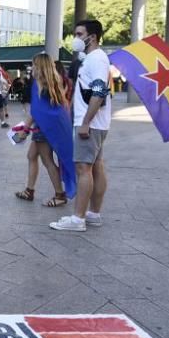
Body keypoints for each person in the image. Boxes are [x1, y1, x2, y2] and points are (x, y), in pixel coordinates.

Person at [51, 19, 111, 232]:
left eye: (79, 34)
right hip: (96, 123)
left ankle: (78, 219)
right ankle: (93, 214)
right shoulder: (93, 58)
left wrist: (85, 122)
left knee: (83, 169)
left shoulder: (96, 59)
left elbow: (99, 91)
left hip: (90, 124)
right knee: (96, 166)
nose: (75, 38)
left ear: (92, 37)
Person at [15, 53, 75, 207]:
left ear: (39, 66)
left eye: (34, 64)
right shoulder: (54, 81)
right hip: (51, 126)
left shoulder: (39, 84)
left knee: (47, 161)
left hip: (43, 128)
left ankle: (59, 195)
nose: (32, 67)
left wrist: (24, 130)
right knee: (31, 155)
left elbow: (36, 111)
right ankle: (29, 190)